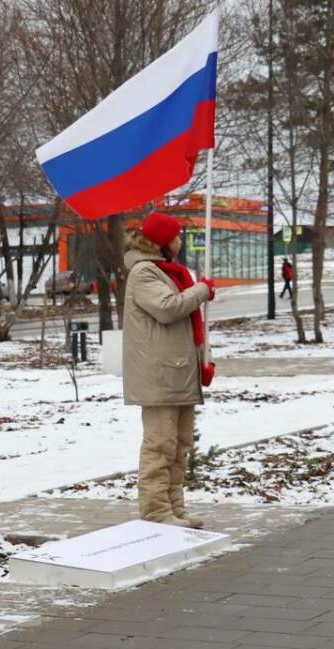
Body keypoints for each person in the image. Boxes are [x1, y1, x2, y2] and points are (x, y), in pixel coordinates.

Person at [123, 211, 216, 529]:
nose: (180, 241)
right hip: (159, 376)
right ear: (162, 241)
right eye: (176, 236)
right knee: (160, 445)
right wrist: (201, 290)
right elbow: (167, 308)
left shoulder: (169, 272)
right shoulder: (144, 273)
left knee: (179, 447)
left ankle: (174, 508)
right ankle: (155, 511)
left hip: (178, 373)